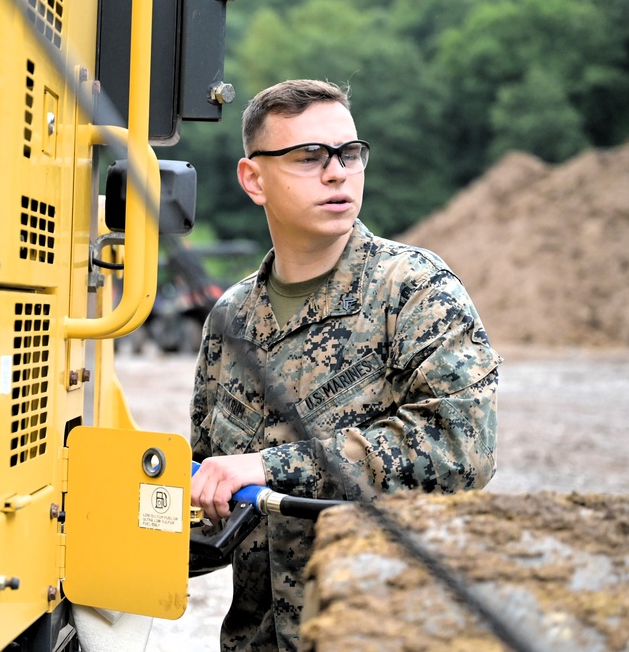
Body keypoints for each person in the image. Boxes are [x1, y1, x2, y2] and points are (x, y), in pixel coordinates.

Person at [189, 79, 501, 651]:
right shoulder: (230, 320)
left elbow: (461, 452)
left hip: (386, 636)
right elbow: (211, 489)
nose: (337, 173)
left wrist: (272, 466)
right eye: (309, 158)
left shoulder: (414, 291)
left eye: (349, 154)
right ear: (253, 179)